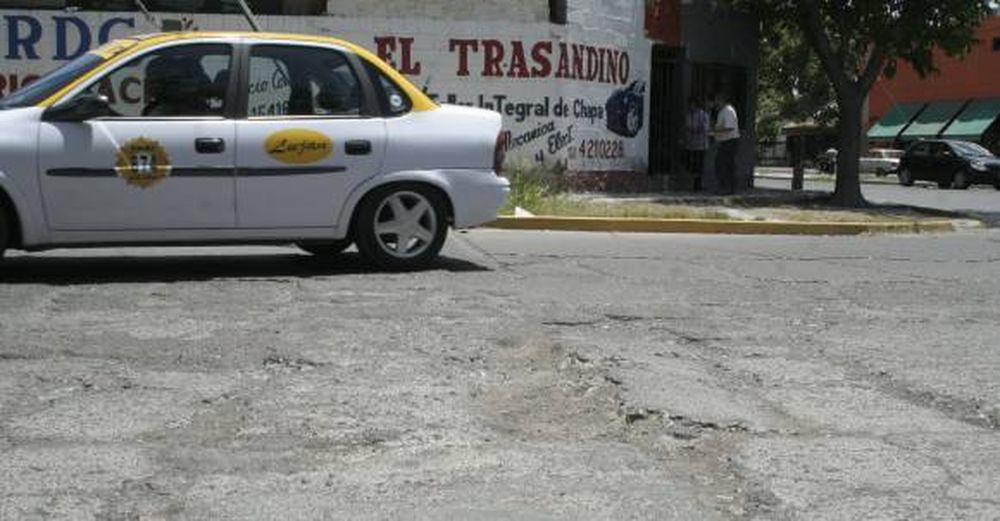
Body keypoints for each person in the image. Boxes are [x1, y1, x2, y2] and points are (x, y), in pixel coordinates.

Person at [709, 93, 741, 195]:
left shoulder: (728, 111)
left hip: (730, 140)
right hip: (726, 140)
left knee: (722, 164)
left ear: (720, 100)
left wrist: (715, 132)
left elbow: (729, 127)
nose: (715, 103)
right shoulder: (723, 111)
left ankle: (726, 188)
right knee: (726, 165)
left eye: (716, 101)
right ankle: (728, 188)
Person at [684, 97, 709, 191]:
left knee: (699, 165)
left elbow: (704, 128)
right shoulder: (689, 115)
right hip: (691, 144)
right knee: (692, 165)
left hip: (701, 144)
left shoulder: (703, 114)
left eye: (692, 104)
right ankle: (693, 183)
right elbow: (689, 127)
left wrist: (696, 129)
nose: (691, 106)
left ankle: (697, 184)